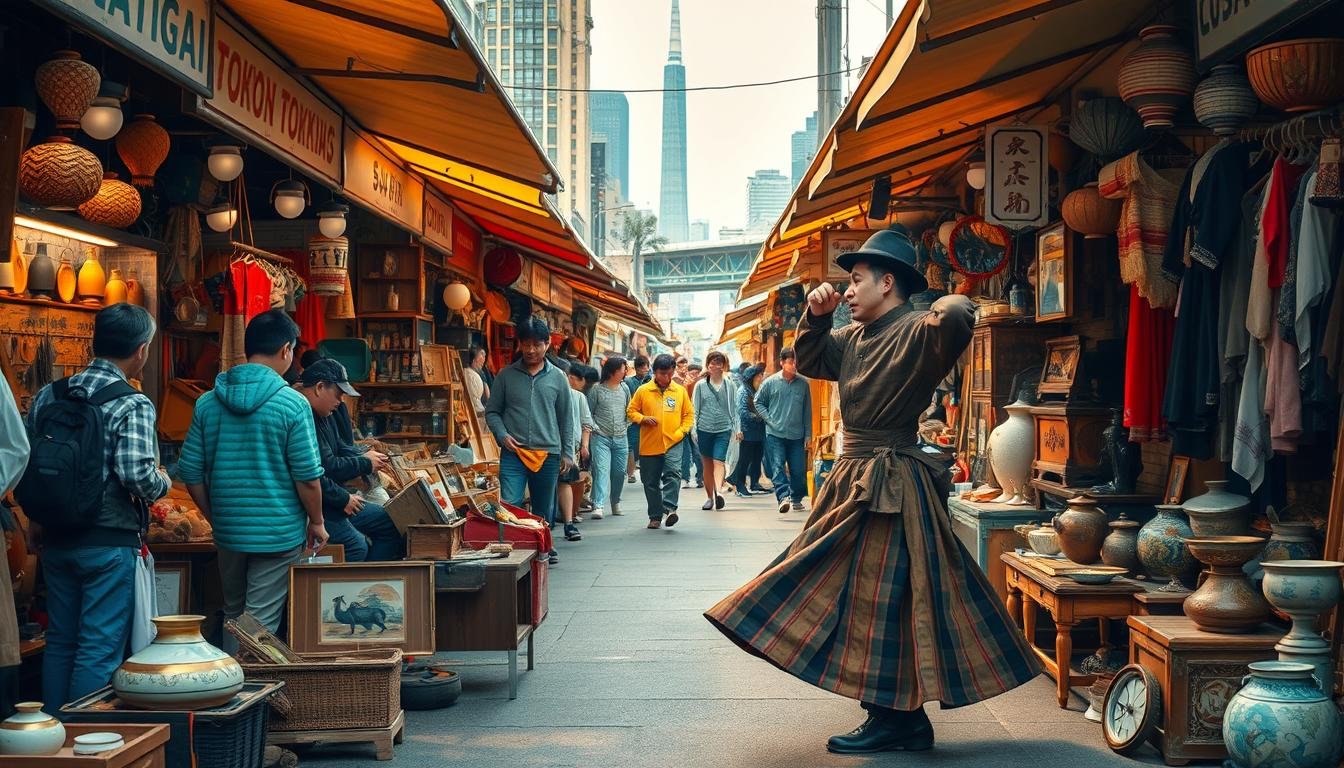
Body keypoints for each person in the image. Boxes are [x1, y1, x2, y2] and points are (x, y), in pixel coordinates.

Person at [706, 228, 1038, 754]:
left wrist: (934, 295)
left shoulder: (916, 331)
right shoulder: (851, 338)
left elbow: (956, 317)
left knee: (884, 596)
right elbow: (812, 359)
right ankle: (893, 715)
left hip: (892, 482)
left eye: (857, 281)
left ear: (889, 283)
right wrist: (815, 316)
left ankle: (896, 719)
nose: (849, 291)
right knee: (861, 590)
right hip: (854, 475)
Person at [19, 305, 169, 713]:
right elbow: (138, 475)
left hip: (56, 535)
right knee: (99, 645)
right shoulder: (132, 402)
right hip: (107, 541)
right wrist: (164, 481)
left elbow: (35, 464)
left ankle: (50, 734)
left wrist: (36, 520)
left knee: (62, 640)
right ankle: (82, 739)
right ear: (141, 350)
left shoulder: (52, 393)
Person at [179, 309, 328, 652]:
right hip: (277, 531)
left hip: (229, 530)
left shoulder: (207, 402)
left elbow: (190, 472)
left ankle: (227, 692)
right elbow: (307, 476)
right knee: (258, 621)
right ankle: (245, 699)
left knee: (234, 612)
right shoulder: (292, 404)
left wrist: (214, 515)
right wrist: (317, 521)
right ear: (286, 350)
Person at [485, 316, 573, 566]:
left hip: (548, 453)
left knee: (543, 506)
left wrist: (568, 453)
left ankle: (544, 544)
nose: (531, 350)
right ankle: (517, 546)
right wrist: (502, 436)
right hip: (514, 453)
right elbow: (492, 411)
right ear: (519, 345)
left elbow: (567, 418)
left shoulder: (558, 377)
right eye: (526, 344)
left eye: (537, 344)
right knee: (511, 502)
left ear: (548, 345)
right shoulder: (505, 376)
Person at [296, 359, 403, 562]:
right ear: (320, 387)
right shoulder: (302, 415)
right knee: (356, 546)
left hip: (330, 498)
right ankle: (352, 591)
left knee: (389, 522)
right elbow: (322, 470)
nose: (341, 401)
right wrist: (345, 495)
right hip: (317, 505)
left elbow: (339, 448)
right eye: (338, 394)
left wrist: (364, 456)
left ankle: (374, 585)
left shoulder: (325, 413)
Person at [627, 354, 693, 530]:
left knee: (673, 473)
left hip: (674, 441)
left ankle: (669, 507)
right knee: (650, 481)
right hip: (650, 443)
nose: (667, 378)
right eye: (663, 374)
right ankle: (655, 516)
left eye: (670, 374)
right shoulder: (643, 391)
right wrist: (642, 418)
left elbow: (689, 415)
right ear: (654, 372)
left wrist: (681, 431)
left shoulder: (679, 391)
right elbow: (631, 411)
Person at [755, 348, 813, 514]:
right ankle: (783, 497)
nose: (794, 365)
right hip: (775, 434)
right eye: (791, 362)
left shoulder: (803, 384)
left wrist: (808, 434)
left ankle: (796, 498)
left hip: (797, 435)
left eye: (797, 362)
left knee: (798, 469)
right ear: (782, 362)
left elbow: (807, 411)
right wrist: (770, 419)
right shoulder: (770, 382)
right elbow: (758, 402)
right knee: (778, 466)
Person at [693, 351, 738, 510]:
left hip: (723, 429)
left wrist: (737, 428)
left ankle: (718, 492)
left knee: (718, 460)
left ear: (724, 366)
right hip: (704, 429)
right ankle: (709, 498)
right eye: (712, 362)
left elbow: (734, 408)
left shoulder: (730, 385)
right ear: (708, 365)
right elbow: (695, 409)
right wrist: (694, 430)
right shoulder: (700, 385)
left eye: (719, 363)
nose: (715, 366)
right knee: (707, 465)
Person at [588, 357, 631, 518]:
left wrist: (626, 425)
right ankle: (598, 505)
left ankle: (615, 502)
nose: (625, 371)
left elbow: (630, 409)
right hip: (601, 438)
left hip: (621, 438)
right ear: (613, 371)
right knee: (602, 470)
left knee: (620, 472)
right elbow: (589, 413)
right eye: (622, 368)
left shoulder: (625, 388)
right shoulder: (596, 390)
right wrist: (596, 428)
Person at [556, 361, 594, 543]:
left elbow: (587, 423)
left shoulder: (577, 397)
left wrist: (584, 445)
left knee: (566, 482)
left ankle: (568, 522)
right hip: (545, 447)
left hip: (569, 447)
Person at [727, 364, 768, 498]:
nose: (762, 377)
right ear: (753, 377)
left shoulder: (757, 390)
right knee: (744, 460)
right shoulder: (743, 391)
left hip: (758, 432)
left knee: (757, 459)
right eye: (759, 375)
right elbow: (742, 411)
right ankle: (740, 485)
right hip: (747, 432)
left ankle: (755, 483)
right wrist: (759, 417)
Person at [623, 356, 651, 483]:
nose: (644, 369)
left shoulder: (652, 381)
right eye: (641, 366)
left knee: (646, 447)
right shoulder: (629, 382)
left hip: (649, 419)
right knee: (631, 446)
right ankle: (631, 473)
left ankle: (647, 473)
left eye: (646, 366)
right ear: (636, 368)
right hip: (633, 420)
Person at [681, 362, 705, 489]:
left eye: (697, 373)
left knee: (697, 452)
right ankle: (685, 478)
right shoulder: (683, 385)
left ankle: (700, 478)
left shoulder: (701, 385)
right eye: (692, 373)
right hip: (684, 422)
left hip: (697, 423)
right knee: (685, 452)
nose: (694, 376)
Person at [464, 346, 490, 415]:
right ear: (473, 360)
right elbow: (475, 403)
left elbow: (488, 396)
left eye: (484, 356)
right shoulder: (469, 374)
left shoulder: (481, 373)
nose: (483, 359)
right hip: (475, 412)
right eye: (481, 354)